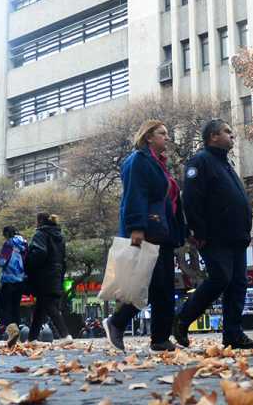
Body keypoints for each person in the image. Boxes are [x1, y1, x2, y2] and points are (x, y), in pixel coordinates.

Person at [173, 119, 253, 350]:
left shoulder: (226, 163)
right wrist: (198, 230)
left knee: (238, 284)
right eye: (227, 132)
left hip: (236, 237)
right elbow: (191, 199)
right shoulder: (200, 161)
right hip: (214, 236)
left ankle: (233, 334)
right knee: (220, 278)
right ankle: (182, 319)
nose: (232, 135)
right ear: (213, 136)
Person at [102, 120, 187, 352]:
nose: (167, 137)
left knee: (165, 287)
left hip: (164, 233)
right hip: (149, 231)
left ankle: (160, 339)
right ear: (149, 137)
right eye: (162, 133)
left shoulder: (160, 164)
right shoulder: (138, 161)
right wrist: (136, 227)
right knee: (151, 285)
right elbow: (134, 194)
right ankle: (117, 322)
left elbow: (171, 202)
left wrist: (182, 231)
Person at [24, 212, 73, 344]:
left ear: (40, 221)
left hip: (44, 274)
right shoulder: (59, 236)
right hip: (56, 273)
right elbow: (63, 259)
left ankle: (65, 335)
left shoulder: (40, 234)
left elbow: (39, 252)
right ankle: (32, 338)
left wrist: (27, 263)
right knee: (41, 306)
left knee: (49, 305)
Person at [0, 226, 28, 347]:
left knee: (2, 307)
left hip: (9, 280)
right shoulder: (24, 244)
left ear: (7, 234)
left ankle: (12, 331)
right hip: (21, 280)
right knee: (15, 307)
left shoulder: (9, 244)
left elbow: (2, 261)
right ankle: (17, 334)